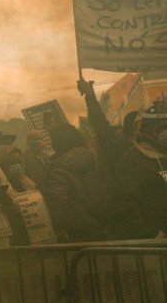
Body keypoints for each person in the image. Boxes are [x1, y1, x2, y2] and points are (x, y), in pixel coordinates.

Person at [108, 102, 167, 239]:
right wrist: (151, 233)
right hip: (155, 242)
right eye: (162, 127)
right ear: (148, 130)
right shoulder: (133, 159)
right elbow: (124, 204)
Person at [40, 124, 109, 242]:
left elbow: (58, 201)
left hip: (75, 228)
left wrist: (59, 228)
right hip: (100, 220)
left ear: (57, 142)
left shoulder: (58, 169)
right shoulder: (92, 157)